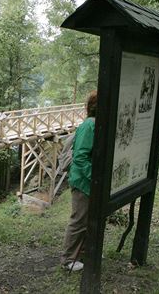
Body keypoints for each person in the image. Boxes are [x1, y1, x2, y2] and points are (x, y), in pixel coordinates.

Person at [61, 91, 97, 272]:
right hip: (82, 181)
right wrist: (96, 178)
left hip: (88, 180)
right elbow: (80, 157)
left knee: (86, 219)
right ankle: (68, 259)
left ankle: (80, 254)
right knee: (79, 220)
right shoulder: (89, 125)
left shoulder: (96, 124)